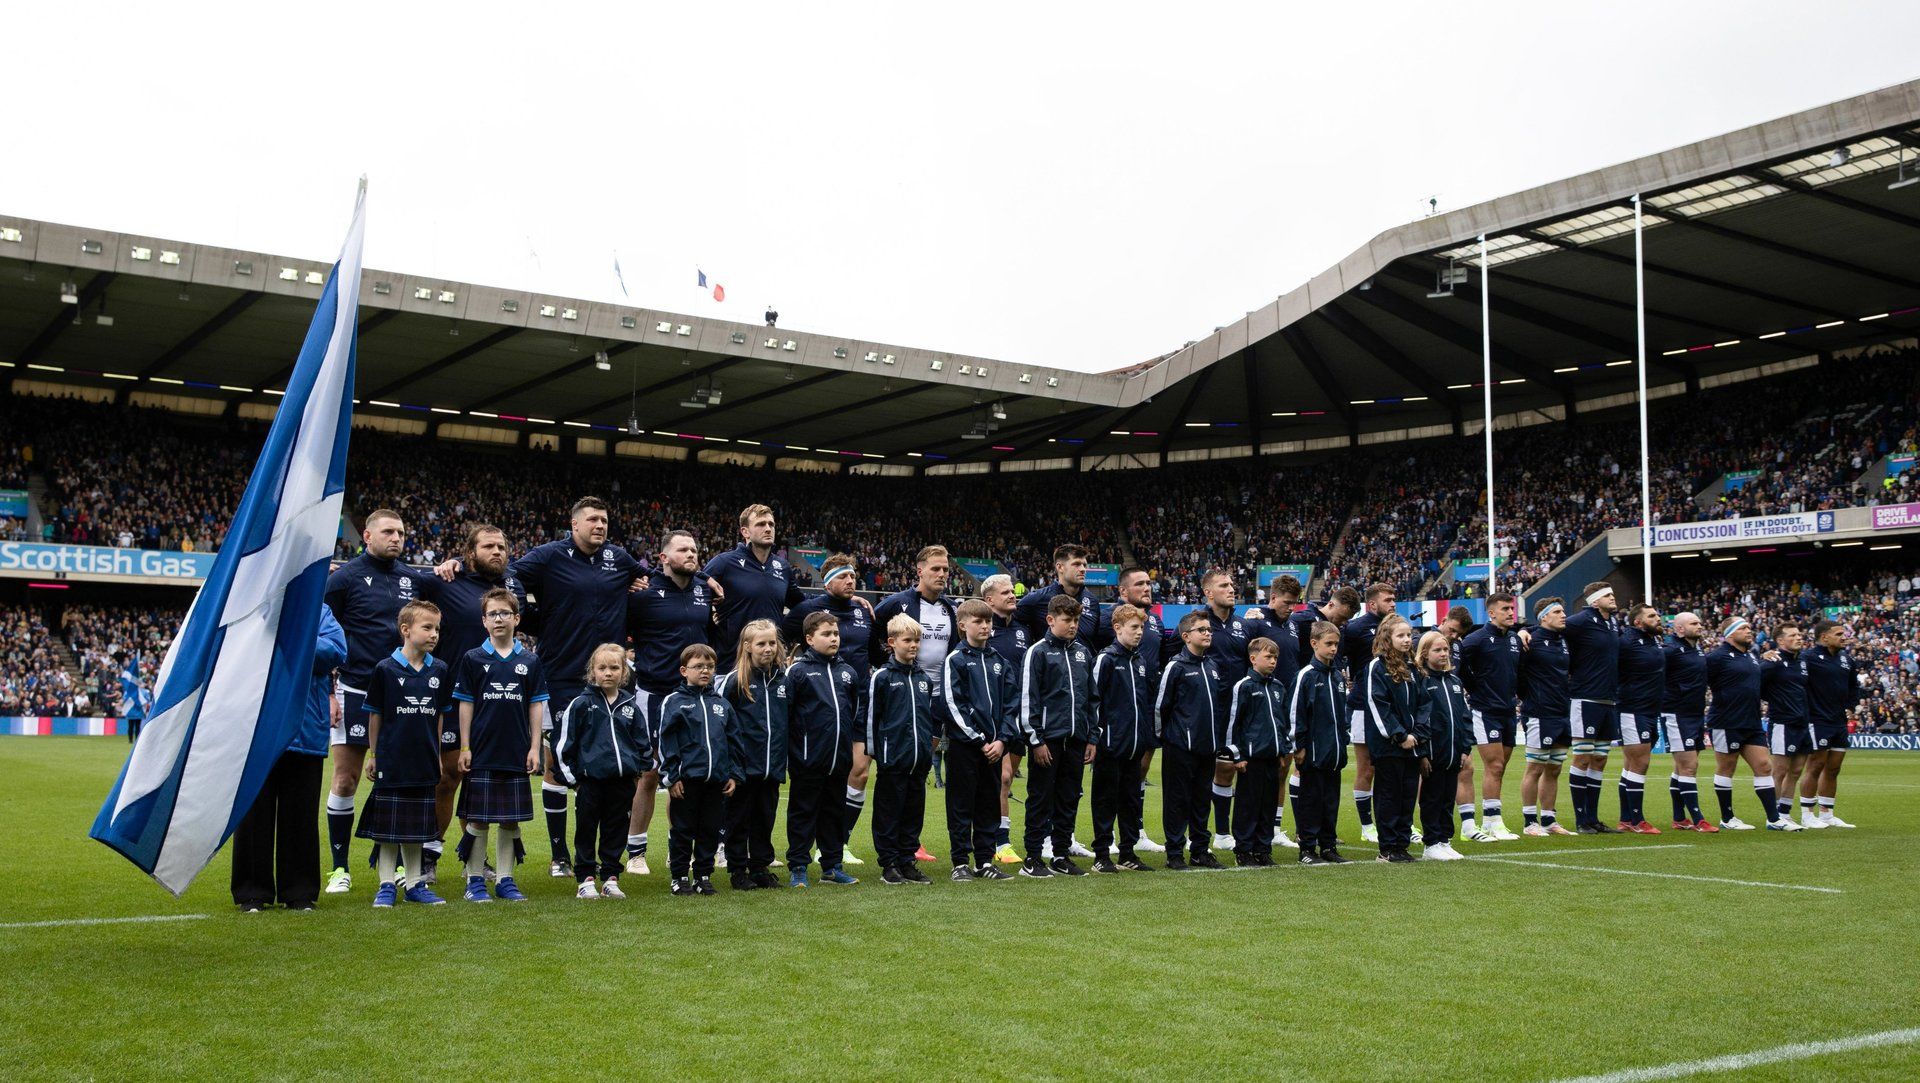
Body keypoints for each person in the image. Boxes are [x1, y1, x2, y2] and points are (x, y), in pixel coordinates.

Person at [505, 496, 646, 878]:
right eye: (593, 520)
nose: (600, 525)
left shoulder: (619, 559)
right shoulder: (549, 556)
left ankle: (609, 858)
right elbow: (509, 574)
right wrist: (529, 614)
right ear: (574, 525)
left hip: (612, 680)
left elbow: (645, 579)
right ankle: (559, 856)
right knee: (557, 765)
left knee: (611, 766)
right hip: (563, 675)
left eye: (604, 520)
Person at [322, 508, 425, 894]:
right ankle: (339, 868)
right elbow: (324, 633)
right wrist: (330, 690)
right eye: (388, 532)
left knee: (395, 779)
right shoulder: (344, 579)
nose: (396, 538)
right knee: (346, 778)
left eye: (400, 532)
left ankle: (396, 865)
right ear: (367, 535)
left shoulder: (413, 580)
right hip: (355, 689)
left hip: (401, 692)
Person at [230, 604, 346, 912]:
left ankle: (299, 892)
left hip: (304, 728)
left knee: (301, 814)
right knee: (254, 814)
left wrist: (294, 635)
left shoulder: (317, 611)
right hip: (257, 727)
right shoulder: (251, 607)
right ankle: (252, 892)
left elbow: (335, 652)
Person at [622, 529, 716, 876]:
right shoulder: (644, 594)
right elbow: (622, 630)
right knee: (649, 773)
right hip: (654, 693)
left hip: (694, 697)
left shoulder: (704, 592)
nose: (692, 554)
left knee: (687, 775)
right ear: (663, 557)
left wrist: (708, 579)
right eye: (683, 550)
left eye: (694, 549)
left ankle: (678, 850)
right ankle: (636, 852)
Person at [439, 525, 530, 877]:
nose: (497, 551)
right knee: (448, 778)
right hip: (455, 698)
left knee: (482, 780)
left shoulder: (515, 585)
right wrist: (443, 565)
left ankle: (472, 862)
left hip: (500, 703)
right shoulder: (445, 581)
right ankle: (431, 855)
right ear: (469, 552)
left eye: (502, 546)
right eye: (489, 546)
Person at [449, 588, 547, 903]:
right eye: (493, 614)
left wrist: (535, 747)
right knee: (477, 818)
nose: (499, 619)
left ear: (517, 619)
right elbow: (465, 705)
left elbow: (536, 706)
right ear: (484, 621)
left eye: (505, 613)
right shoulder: (473, 658)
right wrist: (465, 747)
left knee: (509, 819)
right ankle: (475, 881)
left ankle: (506, 879)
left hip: (516, 750)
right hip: (482, 750)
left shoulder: (530, 660)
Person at [866, 545, 960, 863]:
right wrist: (887, 665)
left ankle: (911, 844)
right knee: (895, 776)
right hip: (901, 694)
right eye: (935, 569)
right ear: (919, 570)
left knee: (919, 774)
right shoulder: (898, 603)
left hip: (932, 700)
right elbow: (873, 634)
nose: (942, 574)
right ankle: (890, 851)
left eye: (945, 569)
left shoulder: (950, 609)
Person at [357, 600, 455, 907]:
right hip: (392, 759)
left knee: (416, 828)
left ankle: (415, 884)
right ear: (405, 629)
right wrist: (373, 754)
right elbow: (375, 716)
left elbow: (439, 715)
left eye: (437, 628)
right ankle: (386, 883)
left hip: (423, 760)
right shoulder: (384, 669)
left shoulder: (439, 669)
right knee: (388, 829)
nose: (434, 634)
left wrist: (437, 754)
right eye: (427, 627)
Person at [553, 643, 651, 899]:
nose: (608, 673)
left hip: (621, 783)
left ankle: (610, 877)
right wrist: (575, 781)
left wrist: (638, 770)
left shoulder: (631, 706)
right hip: (590, 783)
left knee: (615, 830)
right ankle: (585, 879)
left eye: (614, 667)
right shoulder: (580, 704)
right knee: (586, 829)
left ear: (624, 672)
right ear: (592, 672)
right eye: (602, 667)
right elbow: (563, 745)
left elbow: (642, 743)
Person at [1016, 594, 1099, 877]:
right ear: (1051, 620)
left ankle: (1061, 855)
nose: (1073, 625)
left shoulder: (1083, 653)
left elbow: (1091, 699)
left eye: (1076, 620)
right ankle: (1033, 858)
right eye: (1067, 620)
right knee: (1040, 798)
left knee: (1068, 798)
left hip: (1076, 739)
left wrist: (1091, 737)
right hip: (1047, 741)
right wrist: (1035, 740)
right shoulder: (1037, 652)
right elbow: (1028, 699)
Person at [783, 610, 863, 887]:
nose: (833, 639)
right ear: (809, 639)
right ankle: (798, 867)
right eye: (826, 634)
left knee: (834, 814)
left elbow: (852, 712)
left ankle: (832, 865)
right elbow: (787, 715)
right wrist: (795, 752)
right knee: (802, 813)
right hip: (807, 759)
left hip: (838, 759)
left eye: (836, 634)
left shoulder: (847, 672)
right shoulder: (798, 672)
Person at [1704, 616, 1801, 831]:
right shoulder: (1716, 657)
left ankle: (1774, 819)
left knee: (1764, 766)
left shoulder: (1751, 656)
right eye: (1744, 628)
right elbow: (1701, 680)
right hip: (1726, 721)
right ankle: (1727, 818)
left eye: (1750, 627)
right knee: (1727, 768)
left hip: (1752, 721)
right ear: (1730, 633)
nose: (1750, 630)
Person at [941, 599, 1013, 882]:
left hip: (995, 748)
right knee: (961, 803)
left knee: (988, 803)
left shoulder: (999, 662)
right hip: (966, 747)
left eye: (988, 622)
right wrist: (979, 740)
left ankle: (985, 861)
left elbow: (1011, 704)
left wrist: (1002, 740)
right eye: (978, 621)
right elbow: (952, 703)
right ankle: (960, 862)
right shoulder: (956, 660)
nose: (985, 626)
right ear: (962, 625)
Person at [659, 643, 738, 896]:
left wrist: (733, 774)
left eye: (710, 666)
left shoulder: (722, 704)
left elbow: (733, 740)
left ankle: (703, 876)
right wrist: (671, 777)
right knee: (682, 830)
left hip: (716, 781)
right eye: (698, 666)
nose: (705, 671)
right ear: (684, 670)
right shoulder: (674, 702)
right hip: (687, 781)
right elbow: (665, 740)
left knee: (710, 831)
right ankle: (680, 876)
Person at [863, 615, 937, 885]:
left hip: (918, 761)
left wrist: (927, 752)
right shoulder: (882, 677)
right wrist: (876, 753)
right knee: (888, 814)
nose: (914, 645)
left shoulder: (923, 678)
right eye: (908, 640)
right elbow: (872, 717)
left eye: (917, 640)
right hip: (892, 759)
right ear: (892, 643)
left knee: (913, 813)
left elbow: (927, 719)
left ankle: (908, 861)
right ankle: (889, 864)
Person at [717, 620, 788, 889]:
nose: (768, 648)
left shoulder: (783, 679)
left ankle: (760, 867)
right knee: (738, 819)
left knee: (765, 817)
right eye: (761, 643)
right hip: (743, 768)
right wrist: (730, 766)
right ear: (748, 647)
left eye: (772, 643)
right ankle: (737, 870)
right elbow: (721, 726)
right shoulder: (736, 681)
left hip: (773, 765)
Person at [1155, 611, 1227, 871]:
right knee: (1177, 800)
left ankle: (1199, 851)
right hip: (1180, 747)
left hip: (1207, 747)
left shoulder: (1211, 666)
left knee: (1201, 800)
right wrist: (1169, 738)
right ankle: (1174, 852)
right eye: (1201, 629)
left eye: (1209, 629)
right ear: (1186, 636)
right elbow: (1161, 707)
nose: (1208, 633)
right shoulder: (1176, 666)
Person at [1090, 603, 1156, 873]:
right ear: (1117, 628)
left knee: (1130, 799)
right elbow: (1093, 701)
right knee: (1105, 799)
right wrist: (1096, 737)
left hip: (1134, 744)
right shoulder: (1106, 659)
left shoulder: (1140, 661)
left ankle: (1128, 852)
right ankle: (1102, 854)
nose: (1139, 632)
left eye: (1142, 627)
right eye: (1134, 627)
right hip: (1110, 743)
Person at [703, 503, 807, 669]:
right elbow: (696, 596)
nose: (768, 528)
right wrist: (713, 633)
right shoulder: (724, 563)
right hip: (732, 665)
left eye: (771, 524)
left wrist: (837, 595)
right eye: (760, 524)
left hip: (772, 666)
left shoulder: (783, 567)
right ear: (745, 532)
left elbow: (801, 603)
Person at [981, 573, 1034, 864]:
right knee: (1001, 779)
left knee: (1007, 779)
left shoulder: (1023, 630)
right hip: (994, 715)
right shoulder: (984, 631)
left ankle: (996, 839)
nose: (1012, 595)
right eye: (1005, 593)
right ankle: (1000, 842)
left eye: (1012, 591)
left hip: (1020, 714)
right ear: (989, 600)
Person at [1290, 621, 1351, 865]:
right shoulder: (1306, 676)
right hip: (1313, 752)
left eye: (1336, 644)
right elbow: (1296, 713)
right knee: (1311, 801)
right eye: (1329, 644)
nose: (1334, 649)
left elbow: (1341, 714)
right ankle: (1307, 849)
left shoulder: (1337, 676)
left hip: (1334, 752)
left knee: (1330, 802)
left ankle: (1328, 846)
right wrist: (1299, 746)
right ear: (1314, 644)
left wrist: (1343, 740)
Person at [1562, 582, 1622, 833]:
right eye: (1608, 595)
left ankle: (1593, 818)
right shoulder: (1581, 620)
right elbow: (1550, 629)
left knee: (1599, 760)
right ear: (1594, 601)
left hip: (1608, 700)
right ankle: (1580, 819)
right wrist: (1524, 633)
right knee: (1583, 758)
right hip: (1585, 698)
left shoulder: (1612, 623)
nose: (1613, 597)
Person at [1363, 614, 1423, 863]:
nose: (1407, 639)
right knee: (1389, 795)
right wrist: (1399, 735)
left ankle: (1402, 844)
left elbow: (1424, 705)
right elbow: (1378, 705)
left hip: (1413, 745)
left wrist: (1417, 734)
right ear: (1387, 638)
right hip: (1389, 746)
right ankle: (1387, 848)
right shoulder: (1377, 667)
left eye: (1409, 635)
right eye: (1400, 635)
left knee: (1407, 795)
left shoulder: (1413, 668)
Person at [1224, 637, 1288, 866]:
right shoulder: (1244, 687)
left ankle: (1263, 849)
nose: (1273, 662)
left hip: (1272, 756)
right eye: (1268, 657)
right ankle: (1244, 850)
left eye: (1275, 658)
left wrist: (1282, 751)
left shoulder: (1279, 688)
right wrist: (1236, 755)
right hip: (1250, 759)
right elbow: (1233, 723)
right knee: (1247, 806)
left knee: (1268, 805)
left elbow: (1281, 723)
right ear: (1253, 659)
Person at [1344, 583, 1397, 845]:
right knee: (1367, 768)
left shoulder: (1398, 627)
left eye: (1394, 599)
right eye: (1388, 599)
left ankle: (1396, 822)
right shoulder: (1355, 629)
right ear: (1372, 604)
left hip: (1392, 706)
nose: (1393, 603)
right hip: (1363, 706)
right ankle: (1367, 825)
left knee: (1390, 768)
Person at [1518, 598, 1574, 837]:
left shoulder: (1563, 640)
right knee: (1535, 767)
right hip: (1540, 712)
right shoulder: (1532, 641)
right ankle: (1530, 821)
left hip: (1562, 711)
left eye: (1564, 610)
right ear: (1544, 617)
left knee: (1554, 768)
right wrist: (1523, 630)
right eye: (1558, 612)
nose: (1564, 615)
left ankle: (1549, 819)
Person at [1414, 630, 1471, 861]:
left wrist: (1465, 747)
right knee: (1432, 796)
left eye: (1446, 649)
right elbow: (1420, 718)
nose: (1443, 654)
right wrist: (1423, 752)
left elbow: (1464, 716)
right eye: (1437, 650)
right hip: (1433, 751)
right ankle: (1431, 842)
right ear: (1425, 653)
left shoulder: (1455, 681)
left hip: (1453, 750)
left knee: (1448, 797)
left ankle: (1445, 839)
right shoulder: (1422, 681)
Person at [1802, 618, 1861, 828]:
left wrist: (1851, 705)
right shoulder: (1807, 657)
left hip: (1839, 721)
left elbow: (1854, 686)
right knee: (1815, 765)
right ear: (1824, 637)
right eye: (1838, 634)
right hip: (1817, 720)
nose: (1844, 637)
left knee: (1834, 768)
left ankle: (1827, 813)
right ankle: (1807, 813)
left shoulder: (1846, 660)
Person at [1614, 601, 1666, 834]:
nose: (1658, 619)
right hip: (1632, 709)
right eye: (1652, 616)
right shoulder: (1626, 642)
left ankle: (1627, 819)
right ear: (1638, 621)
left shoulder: (1654, 640)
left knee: (1631, 764)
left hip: (1650, 709)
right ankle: (1637, 820)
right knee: (1639, 763)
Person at [1660, 611, 1713, 831]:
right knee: (1689, 766)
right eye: (1694, 623)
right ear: (1679, 628)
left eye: (1699, 622)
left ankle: (1679, 818)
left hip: (1694, 714)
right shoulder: (1669, 650)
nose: (1699, 626)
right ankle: (1698, 819)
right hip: (1676, 713)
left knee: (1682, 767)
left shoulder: (1698, 650)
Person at [1762, 622, 1814, 828]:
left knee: (1796, 770)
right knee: (1780, 771)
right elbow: (1756, 685)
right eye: (1793, 635)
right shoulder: (1772, 662)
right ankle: (1773, 817)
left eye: (1799, 634)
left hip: (1802, 722)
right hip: (1783, 722)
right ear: (1780, 641)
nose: (1799, 637)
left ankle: (1785, 813)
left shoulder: (1801, 662)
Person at [1013, 543, 1103, 645]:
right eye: (1076, 564)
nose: (1083, 569)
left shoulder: (1093, 602)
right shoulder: (1037, 599)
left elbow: (1096, 641)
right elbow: (1011, 620)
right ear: (1060, 567)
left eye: (1084, 565)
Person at [116, 650, 149, 744]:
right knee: (131, 726)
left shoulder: (141, 691)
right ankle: (131, 740)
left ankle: (135, 741)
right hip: (132, 710)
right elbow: (124, 699)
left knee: (137, 727)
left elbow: (147, 699)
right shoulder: (130, 691)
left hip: (137, 710)